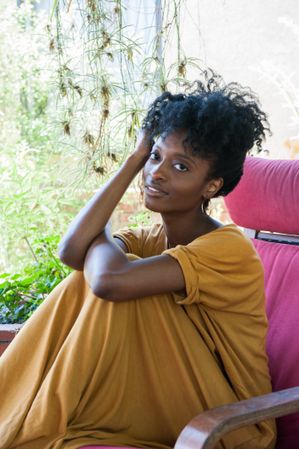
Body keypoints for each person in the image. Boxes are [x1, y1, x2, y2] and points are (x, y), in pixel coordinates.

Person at [0, 72, 276, 449]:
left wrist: (105, 249)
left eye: (181, 167)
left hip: (230, 422)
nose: (157, 173)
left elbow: (108, 280)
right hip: (169, 397)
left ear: (211, 186)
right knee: (101, 272)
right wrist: (132, 161)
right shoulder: (152, 240)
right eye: (155, 156)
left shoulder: (229, 248)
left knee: (111, 277)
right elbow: (71, 251)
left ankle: (21, 424)